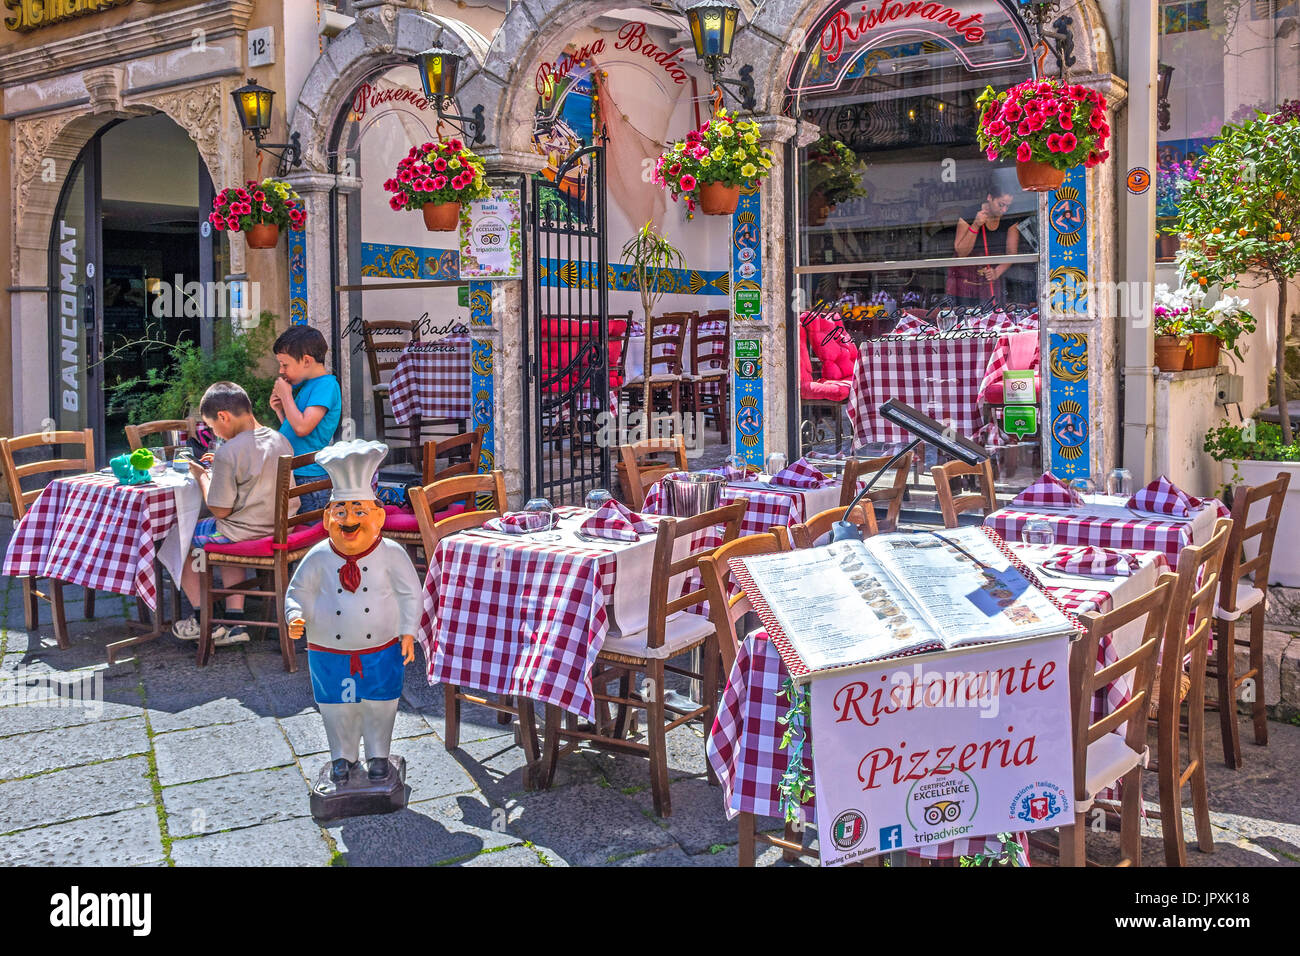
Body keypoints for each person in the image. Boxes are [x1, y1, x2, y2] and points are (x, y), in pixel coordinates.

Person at [285, 440, 422, 798]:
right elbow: (297, 592)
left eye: (359, 511)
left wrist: (408, 633)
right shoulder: (316, 557)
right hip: (328, 650)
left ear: (377, 517)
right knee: (336, 708)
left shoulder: (392, 554)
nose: (349, 520)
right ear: (328, 518)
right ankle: (341, 759)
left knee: (380, 704)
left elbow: (411, 594)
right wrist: (295, 615)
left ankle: (379, 756)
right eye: (341, 512)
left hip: (381, 649)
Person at [173, 381, 294, 645]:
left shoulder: (229, 451)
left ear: (223, 417)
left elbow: (220, 509)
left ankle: (202, 617)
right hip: (279, 527)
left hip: (245, 532)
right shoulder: (279, 438)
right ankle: (236, 621)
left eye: (213, 426)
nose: (215, 432)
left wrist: (202, 476)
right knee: (221, 533)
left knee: (177, 539)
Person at [270, 325, 342, 513]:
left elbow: (303, 428)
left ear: (307, 361)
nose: (281, 370)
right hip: (297, 474)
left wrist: (286, 396)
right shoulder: (309, 385)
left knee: (310, 535)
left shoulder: (326, 385)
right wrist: (280, 410)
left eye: (285, 365)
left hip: (309, 477)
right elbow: (296, 429)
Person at [948, 188, 1021, 308]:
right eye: (1001, 205)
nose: (1004, 210)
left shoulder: (1010, 217)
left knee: (992, 317)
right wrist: (976, 225)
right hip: (965, 280)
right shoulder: (969, 213)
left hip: (992, 280)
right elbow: (961, 252)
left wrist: (997, 272)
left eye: (1008, 206)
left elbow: (1011, 253)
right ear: (989, 197)